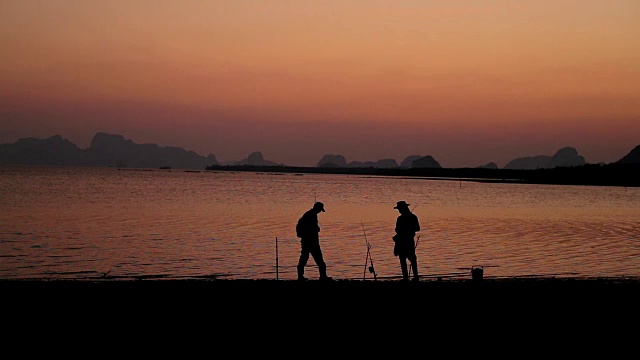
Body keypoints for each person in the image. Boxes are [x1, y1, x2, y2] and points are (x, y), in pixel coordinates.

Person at [296, 201, 332, 281]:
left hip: (306, 241)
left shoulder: (309, 214)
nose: (320, 212)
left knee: (304, 258)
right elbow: (313, 228)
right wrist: (317, 229)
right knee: (319, 259)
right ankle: (323, 277)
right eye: (320, 210)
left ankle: (300, 277)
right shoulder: (311, 215)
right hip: (312, 242)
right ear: (317, 208)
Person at [392, 200, 420, 281]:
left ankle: (412, 278)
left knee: (409, 259)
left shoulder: (402, 219)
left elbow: (417, 228)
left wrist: (405, 229)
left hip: (405, 241)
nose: (399, 211)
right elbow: (417, 228)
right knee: (406, 259)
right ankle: (410, 277)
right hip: (404, 241)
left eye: (400, 209)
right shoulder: (411, 217)